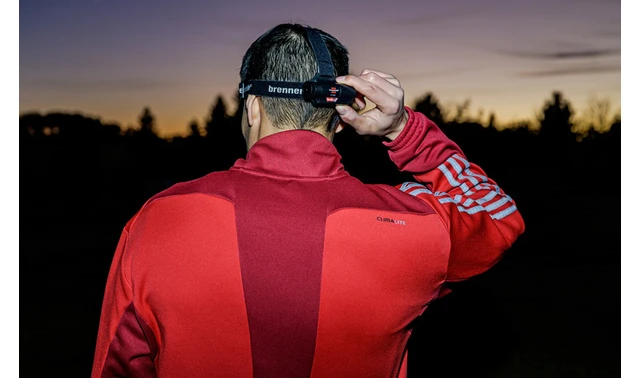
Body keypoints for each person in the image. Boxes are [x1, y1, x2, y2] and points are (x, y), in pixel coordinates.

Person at [91, 23, 525, 378]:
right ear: (340, 119)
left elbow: (119, 364)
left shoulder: (159, 219)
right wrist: (402, 129)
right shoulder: (409, 223)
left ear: (253, 107)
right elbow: (499, 214)